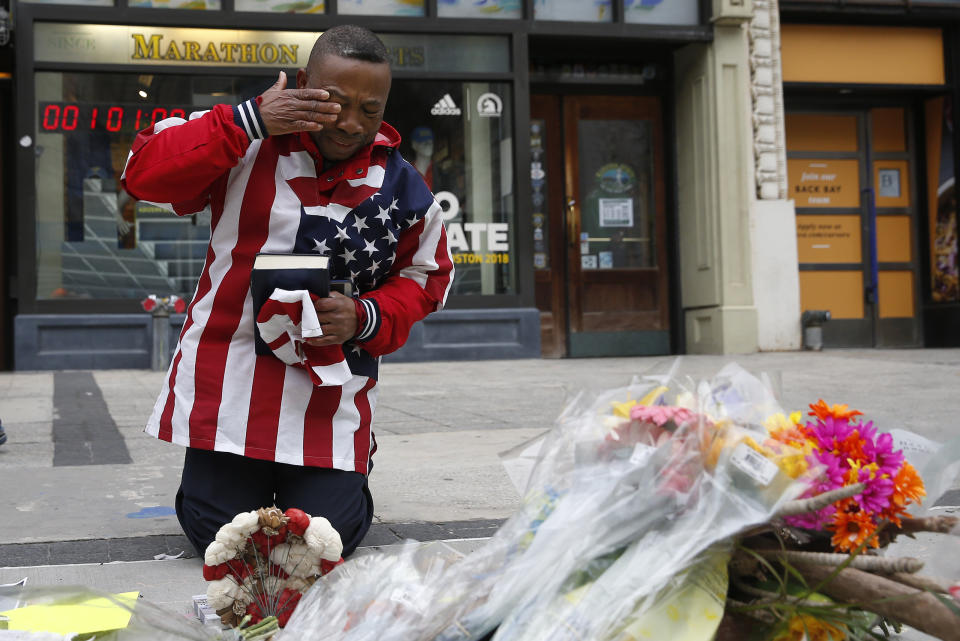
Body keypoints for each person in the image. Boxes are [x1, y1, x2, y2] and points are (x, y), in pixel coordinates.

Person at [121, 25, 453, 558]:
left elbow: (428, 275)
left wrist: (368, 315)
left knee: (325, 544)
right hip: (230, 387)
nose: (350, 123)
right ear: (302, 83)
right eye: (335, 102)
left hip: (328, 394)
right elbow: (143, 175)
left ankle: (345, 472)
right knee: (220, 541)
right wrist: (248, 120)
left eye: (370, 109)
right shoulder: (241, 139)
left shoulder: (404, 185)